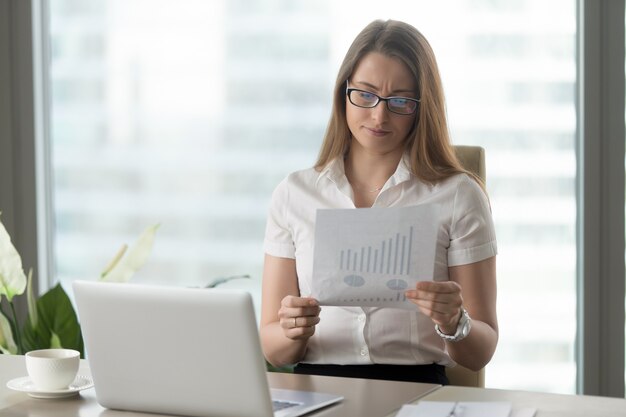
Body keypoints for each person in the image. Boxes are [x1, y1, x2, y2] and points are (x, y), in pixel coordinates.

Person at [260, 19, 498, 385]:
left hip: (417, 389)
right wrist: (292, 329)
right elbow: (273, 349)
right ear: (344, 93)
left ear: (422, 106)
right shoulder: (295, 194)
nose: (379, 115)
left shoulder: (459, 195)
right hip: (318, 389)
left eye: (400, 100)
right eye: (365, 94)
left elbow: (481, 350)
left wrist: (456, 321)